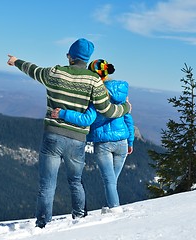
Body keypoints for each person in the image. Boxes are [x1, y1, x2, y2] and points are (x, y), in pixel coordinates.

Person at [6, 38, 131, 228]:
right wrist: (125, 108)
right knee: (75, 181)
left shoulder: (55, 72)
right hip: (77, 139)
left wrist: (15, 61)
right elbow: (107, 110)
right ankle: (79, 218)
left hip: (52, 137)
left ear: (70, 57)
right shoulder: (94, 80)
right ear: (86, 59)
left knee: (47, 185)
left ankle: (42, 224)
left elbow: (33, 70)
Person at [51, 59, 134, 213]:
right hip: (122, 142)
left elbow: (86, 119)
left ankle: (115, 211)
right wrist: (130, 141)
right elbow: (128, 117)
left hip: (103, 143)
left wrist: (62, 113)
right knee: (112, 181)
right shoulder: (122, 94)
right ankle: (109, 207)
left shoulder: (97, 94)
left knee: (109, 181)